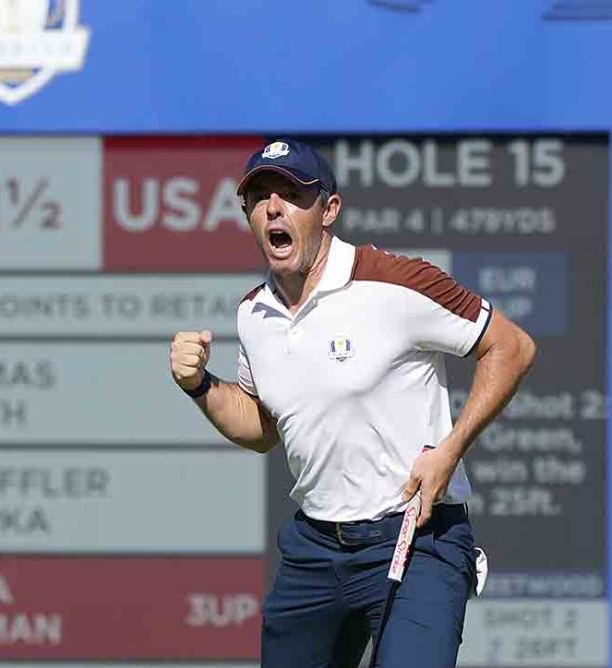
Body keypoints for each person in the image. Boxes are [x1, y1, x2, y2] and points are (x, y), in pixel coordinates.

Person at [169, 139, 536, 667]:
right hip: (315, 549)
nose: (274, 207)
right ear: (247, 213)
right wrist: (201, 385)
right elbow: (261, 427)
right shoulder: (253, 315)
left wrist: (451, 449)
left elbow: (513, 346)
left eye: (292, 194)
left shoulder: (394, 281)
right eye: (260, 196)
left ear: (329, 211)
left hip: (416, 540)